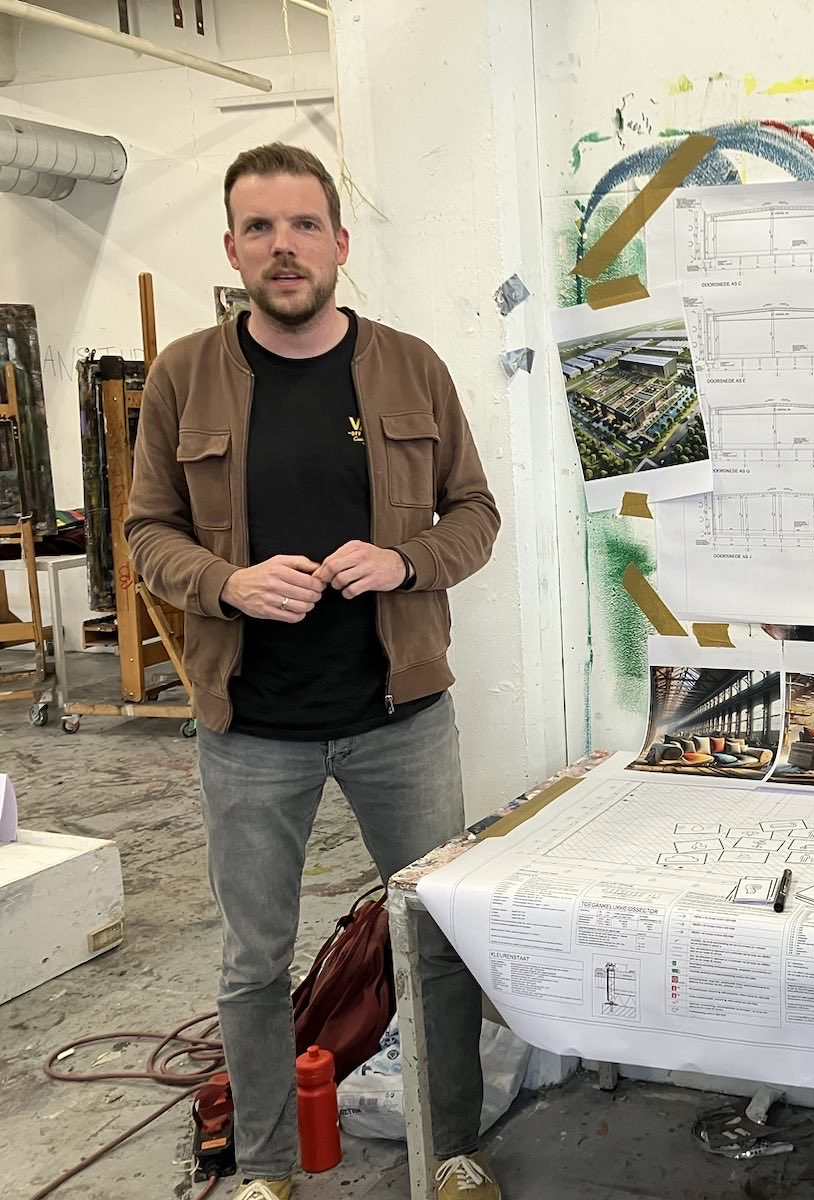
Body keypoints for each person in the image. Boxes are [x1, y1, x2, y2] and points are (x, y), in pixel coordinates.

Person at [127, 143, 502, 1200]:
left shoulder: (412, 366)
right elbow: (147, 532)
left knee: (432, 940)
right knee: (253, 964)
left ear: (339, 242)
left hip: (400, 718)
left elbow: (475, 514)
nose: (282, 246)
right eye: (260, 228)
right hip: (249, 727)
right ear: (232, 249)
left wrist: (405, 561)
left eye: (302, 226)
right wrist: (227, 584)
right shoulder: (183, 374)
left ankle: (451, 1149)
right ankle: (264, 1167)